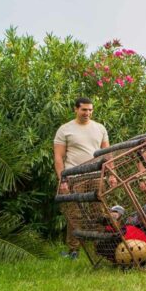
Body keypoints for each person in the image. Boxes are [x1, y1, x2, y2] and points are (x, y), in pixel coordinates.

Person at [54, 97, 110, 259]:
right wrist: (62, 179)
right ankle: (73, 251)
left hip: (95, 176)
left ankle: (101, 247)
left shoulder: (100, 128)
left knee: (99, 212)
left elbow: (107, 153)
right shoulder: (65, 129)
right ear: (76, 109)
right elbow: (58, 157)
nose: (87, 113)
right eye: (84, 109)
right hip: (73, 177)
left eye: (90, 110)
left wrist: (111, 174)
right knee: (74, 214)